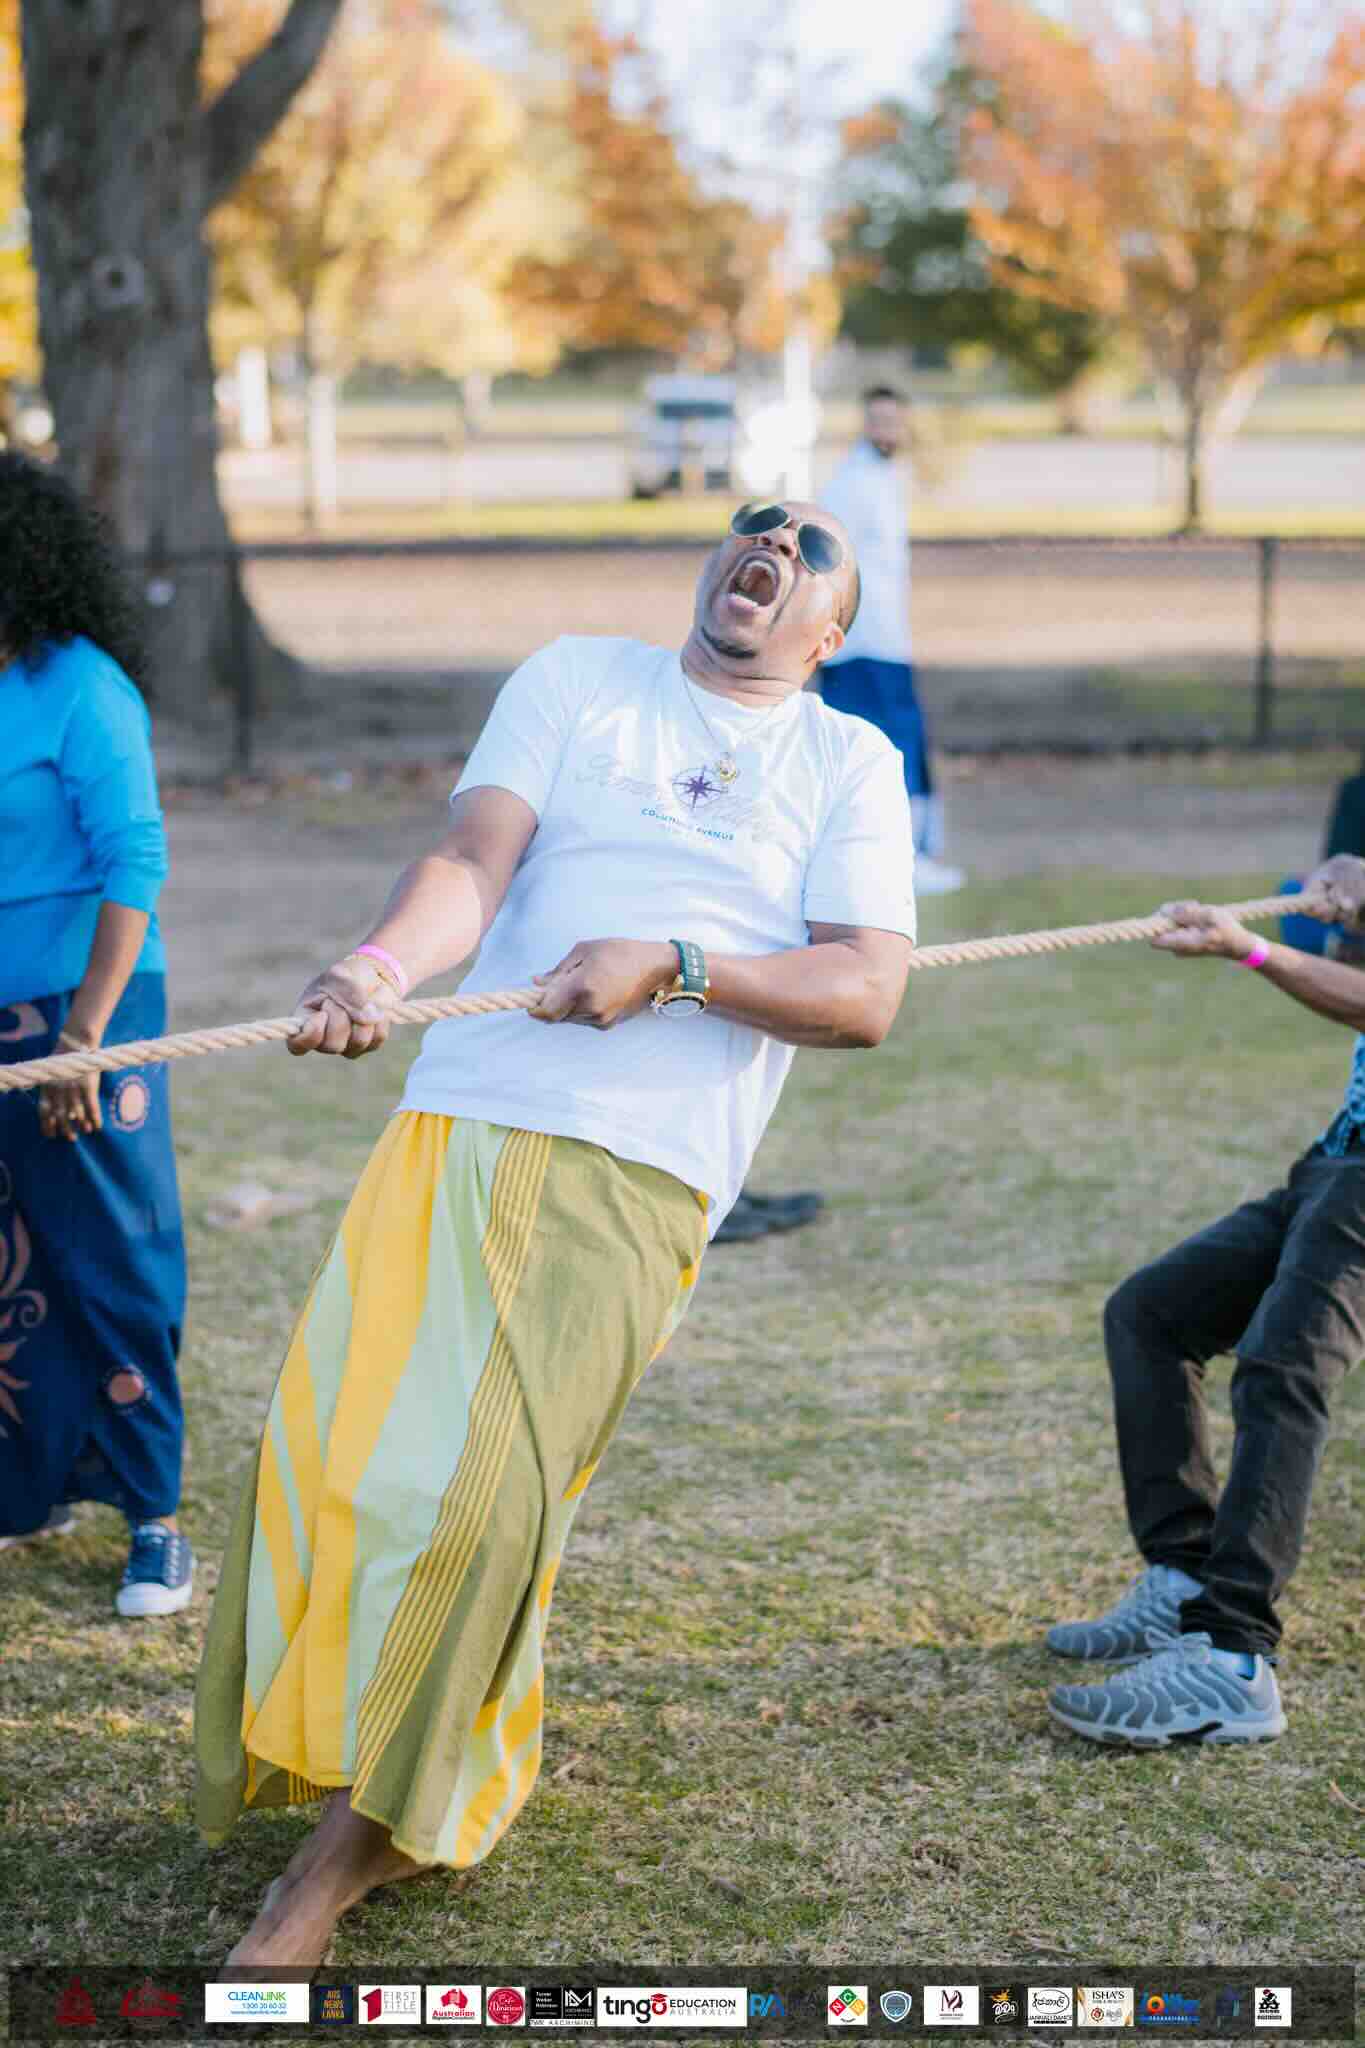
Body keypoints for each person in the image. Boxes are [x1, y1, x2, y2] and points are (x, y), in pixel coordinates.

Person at [194, 499, 917, 1963]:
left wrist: (679, 966)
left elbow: (864, 994)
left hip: (640, 1165)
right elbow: (476, 855)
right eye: (749, 535)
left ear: (825, 633)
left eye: (801, 558)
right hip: (464, 1112)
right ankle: (389, 1751)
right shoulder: (579, 680)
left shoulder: (848, 759)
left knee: (485, 1503)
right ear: (713, 568)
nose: (764, 550)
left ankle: (345, 1861)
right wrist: (379, 961)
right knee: (338, 1465)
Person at [1046, 855, 1365, 1746]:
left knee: (1281, 1368)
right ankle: (1182, 1579)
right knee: (1151, 1314)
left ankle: (1230, 1658)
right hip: (1338, 1156)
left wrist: (1250, 953)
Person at [0, 452, 191, 1618]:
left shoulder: (80, 685)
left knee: (108, 1250)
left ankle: (155, 1518)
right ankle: (30, 1488)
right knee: (11, 1259)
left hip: (89, 1007)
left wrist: (85, 1034)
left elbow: (135, 862)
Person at [819, 384, 964, 895]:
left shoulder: (885, 479)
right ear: (864, 422)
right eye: (877, 419)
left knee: (907, 744)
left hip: (889, 640)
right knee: (880, 751)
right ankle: (895, 859)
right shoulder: (849, 485)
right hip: (860, 644)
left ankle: (916, 852)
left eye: (894, 421)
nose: (887, 430)